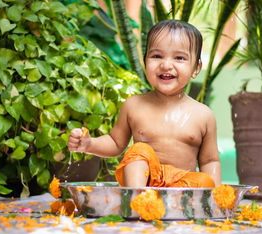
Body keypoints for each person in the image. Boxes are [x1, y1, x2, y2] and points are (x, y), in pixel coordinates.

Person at [68, 20, 221, 188]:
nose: (166, 65)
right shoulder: (134, 105)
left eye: (179, 58)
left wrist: (216, 198)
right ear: (145, 60)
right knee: (139, 150)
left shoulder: (203, 115)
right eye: (157, 56)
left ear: (196, 68)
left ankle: (175, 206)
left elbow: (210, 161)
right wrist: (90, 144)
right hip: (144, 185)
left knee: (205, 181)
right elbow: (115, 143)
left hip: (181, 189)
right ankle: (136, 201)